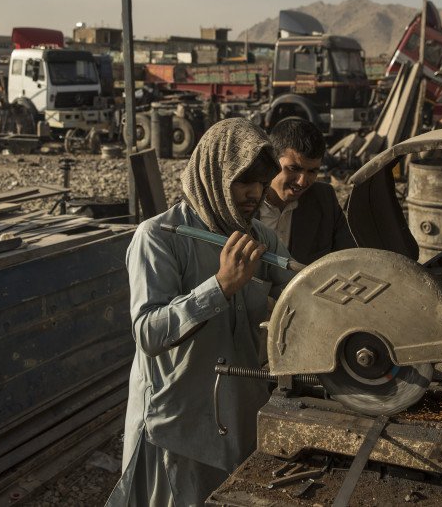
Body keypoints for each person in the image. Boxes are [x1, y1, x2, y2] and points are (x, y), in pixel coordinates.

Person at [107, 118, 294, 507]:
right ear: (214, 174)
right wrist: (221, 286)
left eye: (260, 183)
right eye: (244, 181)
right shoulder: (159, 237)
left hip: (239, 416)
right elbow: (148, 333)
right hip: (179, 426)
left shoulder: (261, 238)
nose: (254, 194)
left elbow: (300, 291)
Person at [260, 118, 355, 264]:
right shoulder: (245, 201)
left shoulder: (324, 200)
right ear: (272, 159)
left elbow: (348, 259)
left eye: (312, 171)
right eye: (294, 169)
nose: (302, 181)